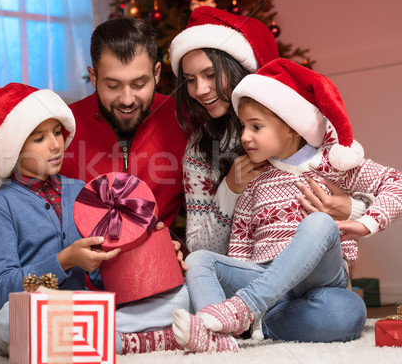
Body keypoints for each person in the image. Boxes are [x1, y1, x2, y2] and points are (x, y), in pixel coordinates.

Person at [0, 18, 191, 355]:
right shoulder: (61, 121)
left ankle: (103, 333)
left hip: (101, 283)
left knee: (181, 298)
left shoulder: (184, 121)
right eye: (113, 85)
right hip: (17, 272)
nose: (127, 97)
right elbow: (10, 183)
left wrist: (160, 252)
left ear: (158, 73)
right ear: (93, 78)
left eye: (139, 83)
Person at [171, 58, 402, 353]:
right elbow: (240, 246)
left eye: (256, 127)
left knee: (324, 238)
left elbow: (395, 183)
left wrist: (365, 223)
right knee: (201, 259)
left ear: (292, 128)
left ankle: (243, 310)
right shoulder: (252, 181)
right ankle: (219, 336)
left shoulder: (332, 163)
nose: (245, 137)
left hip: (321, 278)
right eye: (243, 126)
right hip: (268, 283)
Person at [0, 83, 120, 355]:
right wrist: (65, 260)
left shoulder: (81, 191)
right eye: (39, 138)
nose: (57, 144)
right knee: (13, 318)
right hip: (15, 311)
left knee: (156, 305)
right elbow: (1, 289)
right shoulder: (1, 205)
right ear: (14, 150)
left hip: (72, 305)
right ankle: (73, 337)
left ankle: (79, 335)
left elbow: (97, 275)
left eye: (57, 132)